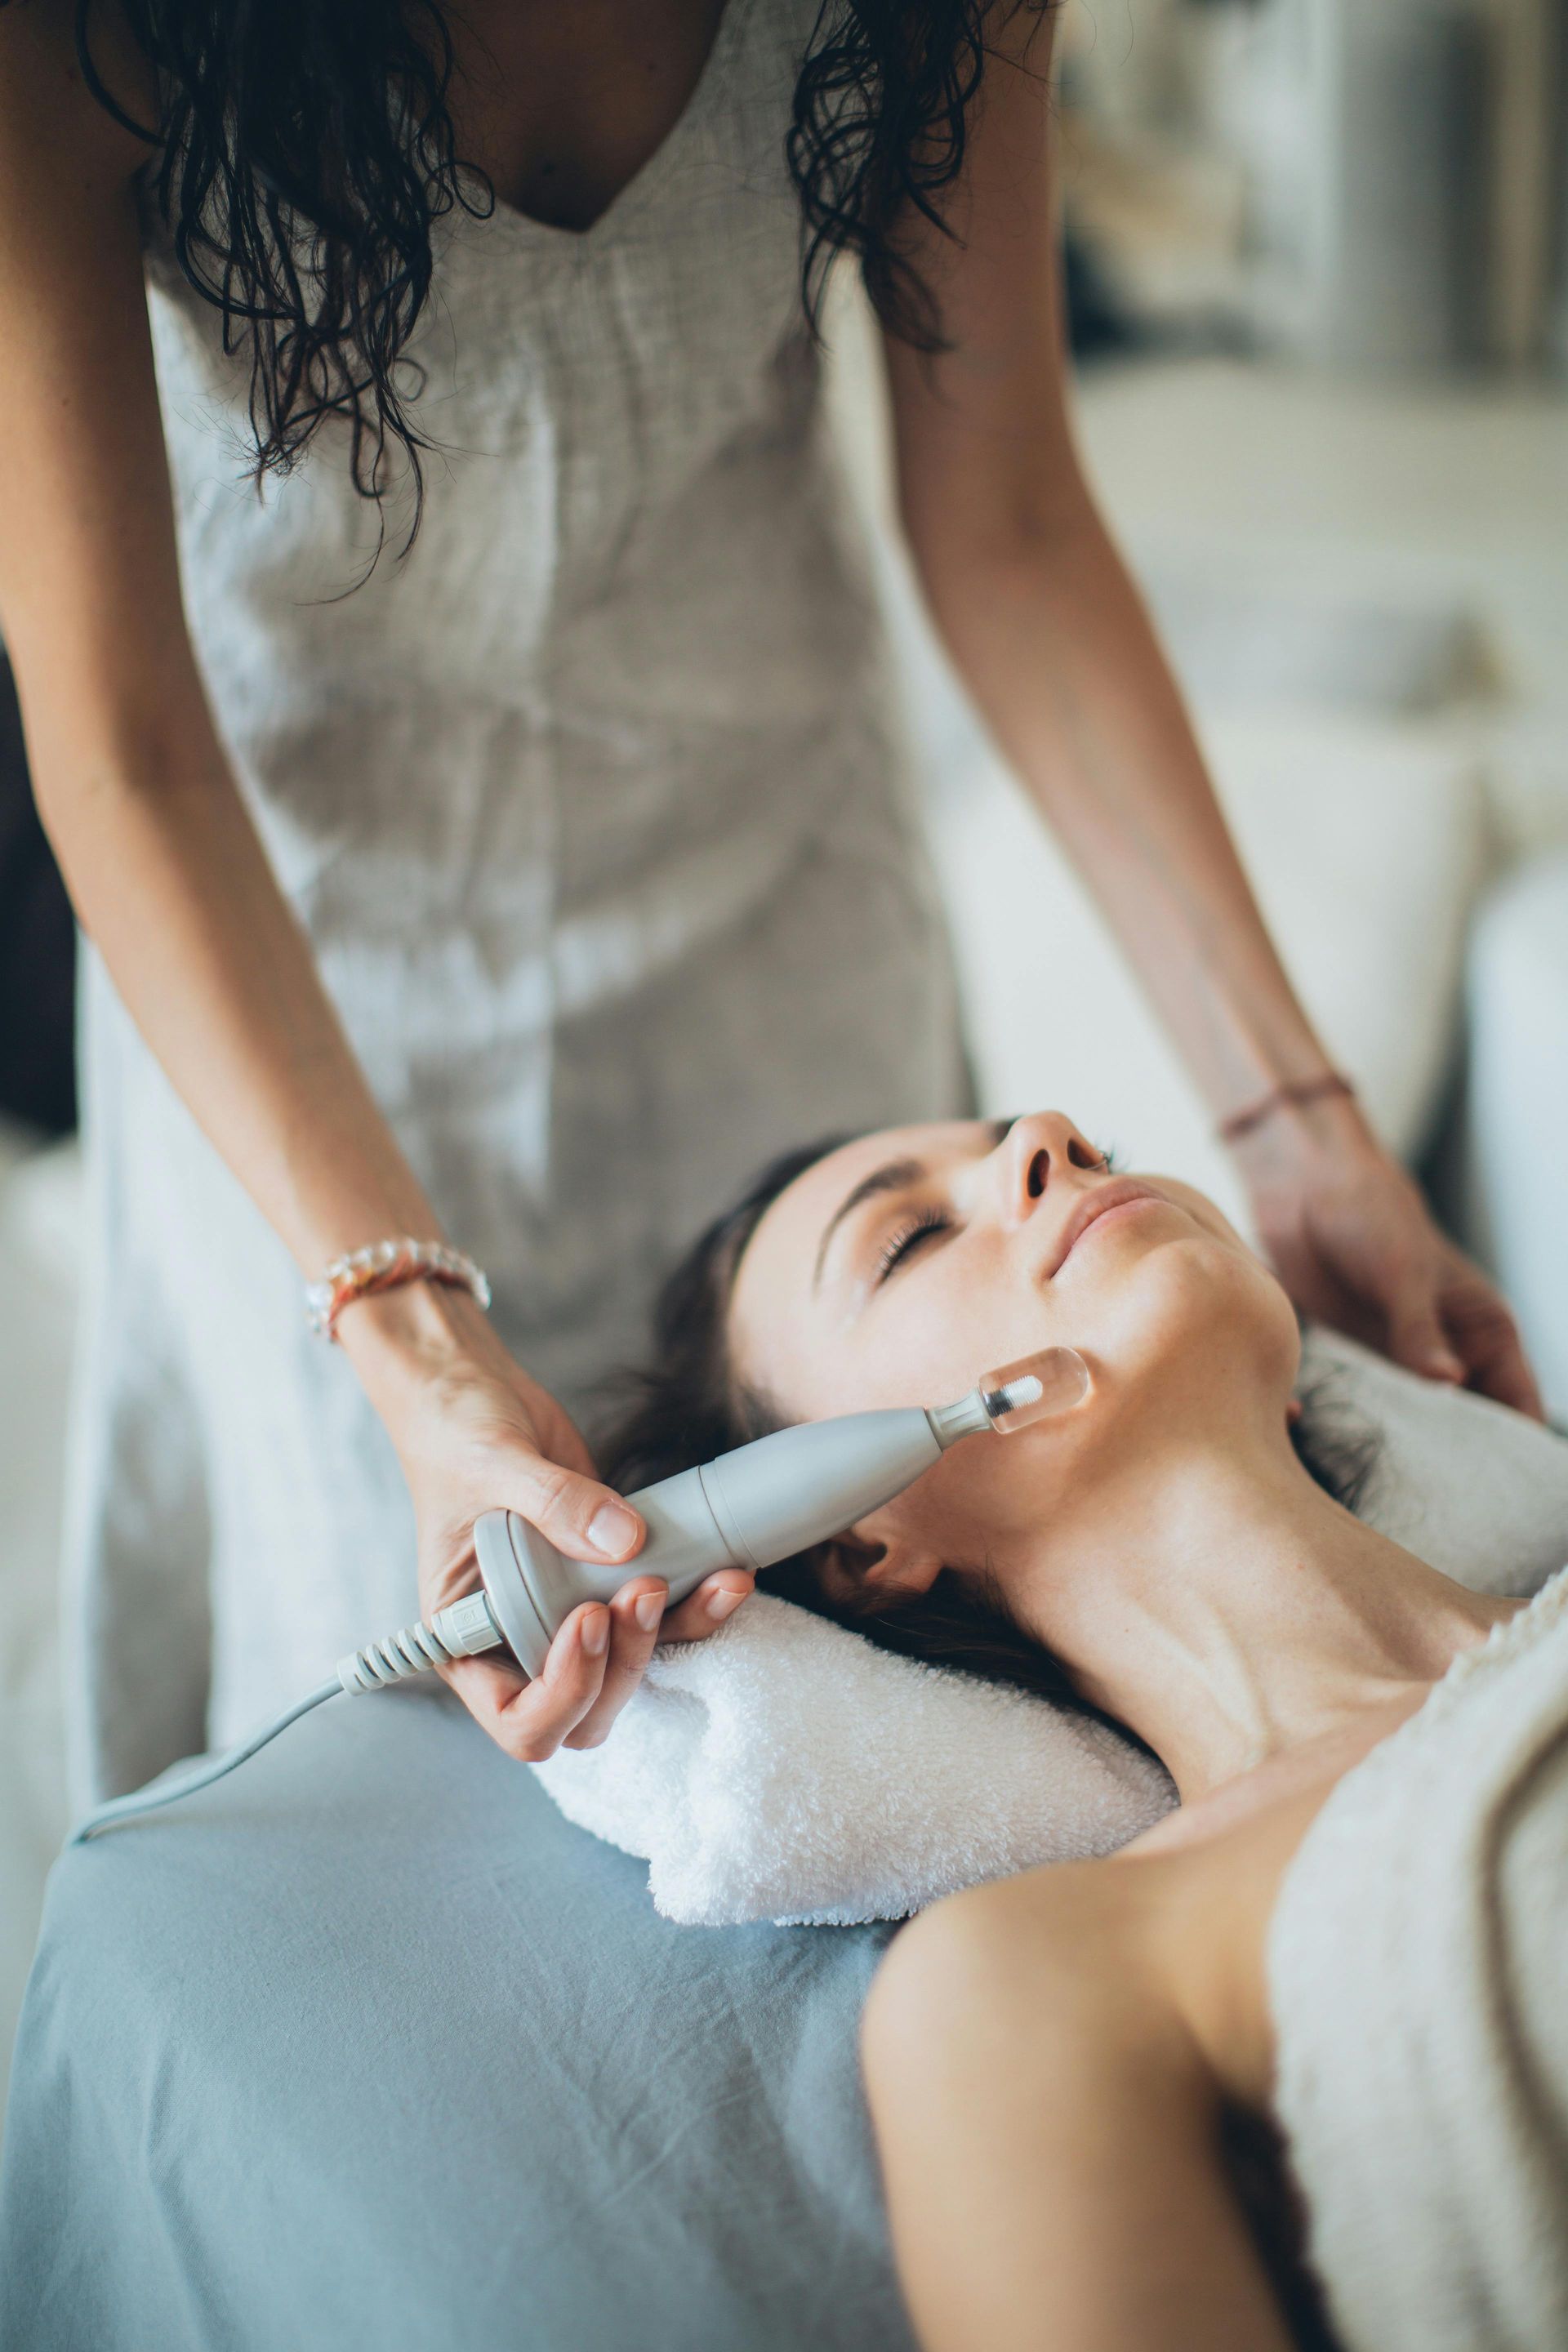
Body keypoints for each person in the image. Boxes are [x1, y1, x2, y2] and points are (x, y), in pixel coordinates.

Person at [0, 1, 1536, 1806]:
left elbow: (1016, 529)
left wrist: (1295, 1115)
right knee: (413, 1772)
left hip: (784, 903)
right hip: (306, 1005)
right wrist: (409, 1340)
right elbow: (122, 746)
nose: (1043, 1136)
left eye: (956, 1185)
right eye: (917, 1230)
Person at [596, 1106, 1560, 2350]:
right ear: (858, 1539)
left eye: (1079, 1141)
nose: (1048, 1139)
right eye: (909, 1241)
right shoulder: (1046, 1982)